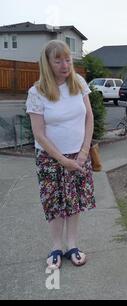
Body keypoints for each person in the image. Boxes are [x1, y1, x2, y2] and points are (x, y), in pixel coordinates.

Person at [26, 40, 95, 269]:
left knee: (74, 203)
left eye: (68, 59)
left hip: (79, 156)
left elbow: (89, 118)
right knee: (54, 203)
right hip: (50, 159)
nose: (65, 65)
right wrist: (62, 160)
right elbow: (39, 133)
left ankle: (73, 246)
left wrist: (84, 152)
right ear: (47, 63)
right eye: (58, 60)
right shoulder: (37, 92)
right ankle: (56, 247)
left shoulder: (79, 83)